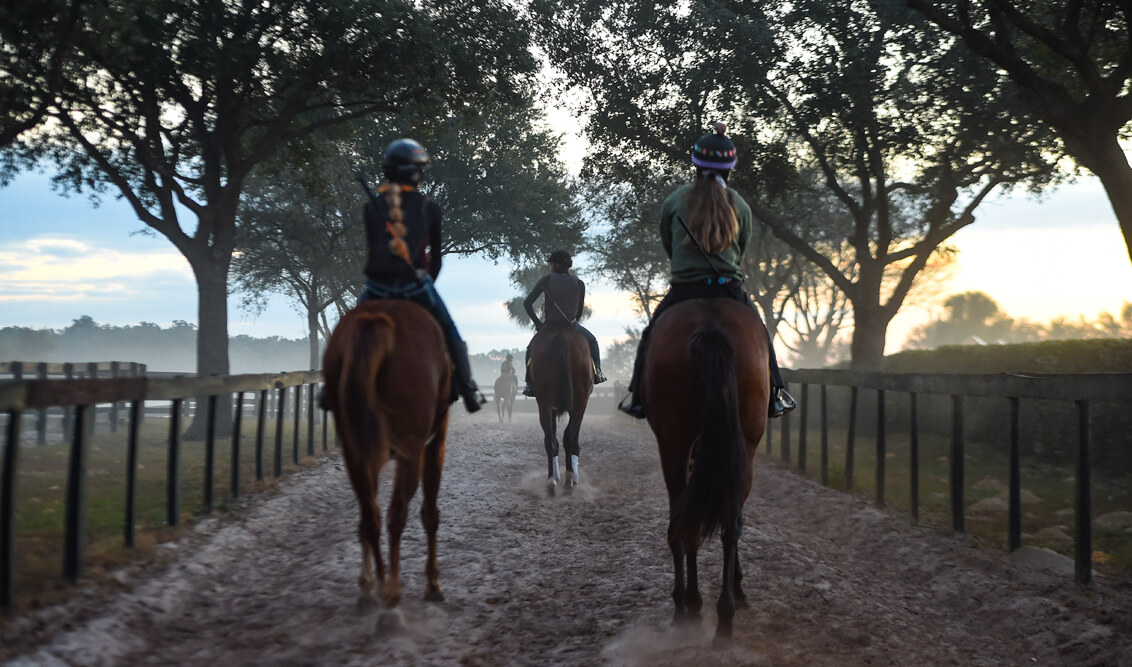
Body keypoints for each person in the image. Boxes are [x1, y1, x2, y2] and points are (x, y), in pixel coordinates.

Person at [617, 123, 796, 419]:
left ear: (696, 165)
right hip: (729, 289)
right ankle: (775, 394)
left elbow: (668, 244)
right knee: (760, 334)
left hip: (685, 289)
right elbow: (741, 247)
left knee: (651, 334)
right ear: (730, 168)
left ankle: (637, 395)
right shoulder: (739, 205)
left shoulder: (675, 200)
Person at [356, 137, 485, 413]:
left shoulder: (371, 208)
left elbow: (372, 253)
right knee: (450, 331)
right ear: (416, 173)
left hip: (377, 288)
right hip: (415, 287)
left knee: (350, 330)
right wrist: (425, 283)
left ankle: (329, 390)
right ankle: (468, 388)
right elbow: (436, 261)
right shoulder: (430, 208)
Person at [520, 249, 607, 396]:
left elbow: (527, 303)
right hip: (571, 325)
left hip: (550, 326)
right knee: (592, 341)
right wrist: (572, 322)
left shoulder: (546, 281)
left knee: (530, 349)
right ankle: (598, 373)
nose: (550, 267)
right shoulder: (579, 283)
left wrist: (538, 323)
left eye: (551, 264)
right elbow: (578, 312)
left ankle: (530, 383)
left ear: (556, 265)